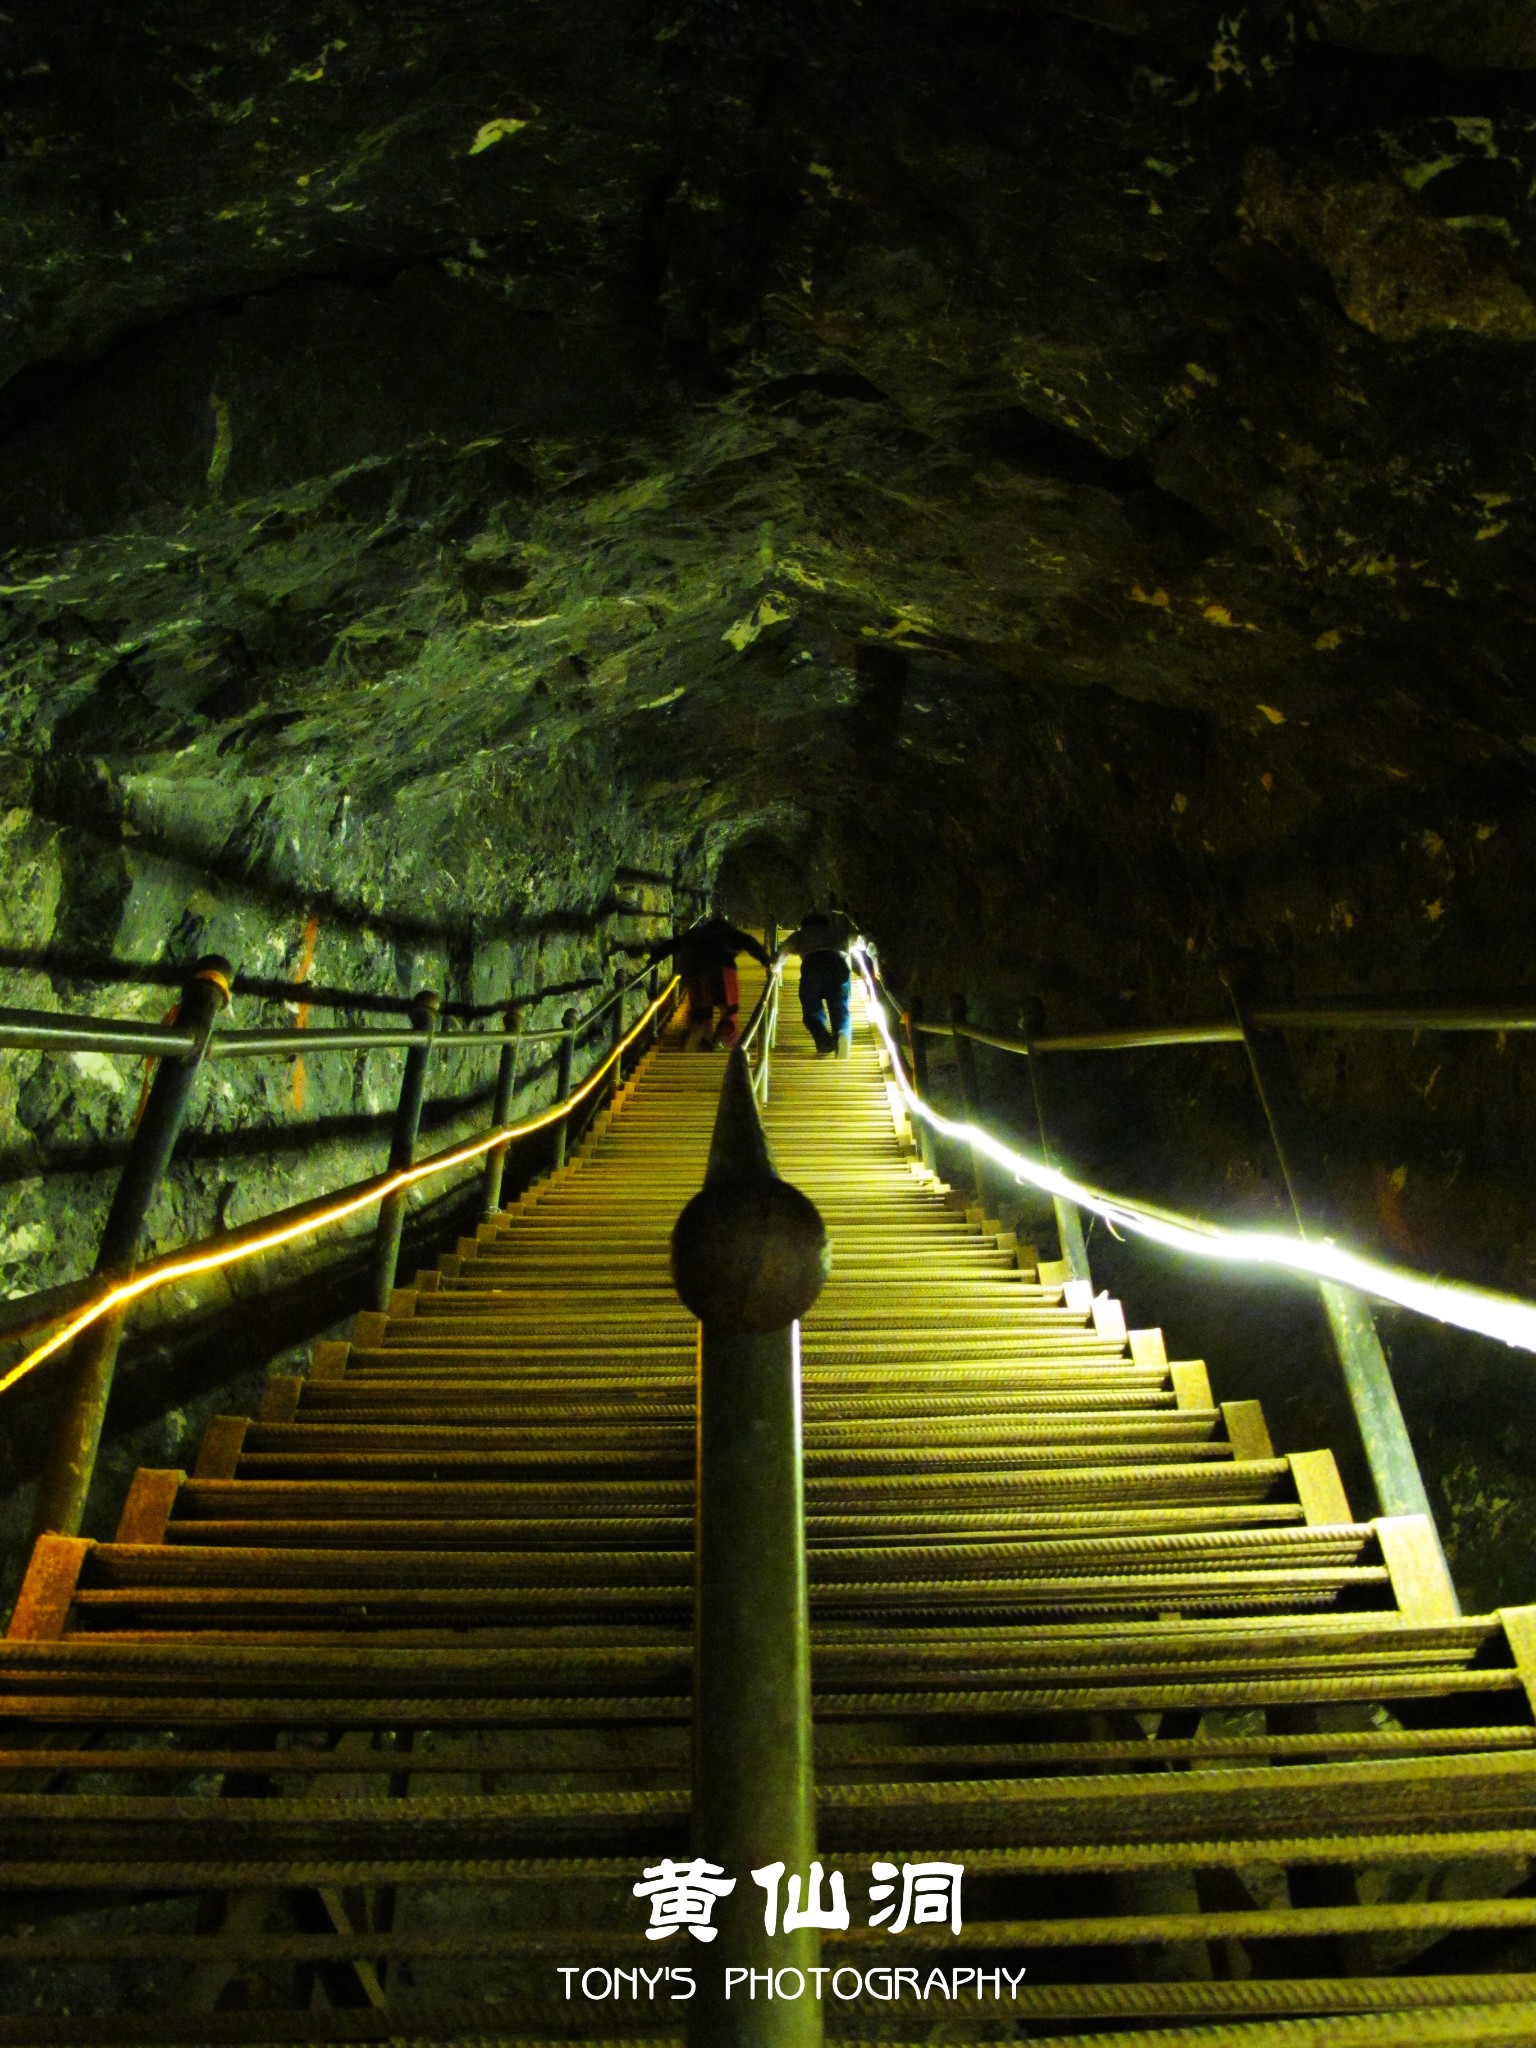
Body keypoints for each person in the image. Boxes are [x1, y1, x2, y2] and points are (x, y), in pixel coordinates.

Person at [663, 914, 771, 1051]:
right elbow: (751, 943)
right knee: (728, 1011)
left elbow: (676, 943)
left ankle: (695, 1043)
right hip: (724, 972)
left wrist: (656, 956)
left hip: (699, 972)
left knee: (700, 1014)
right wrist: (766, 961)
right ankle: (721, 1040)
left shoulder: (698, 933)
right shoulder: (731, 934)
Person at [780, 908, 856, 1058]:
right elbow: (860, 940)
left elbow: (784, 949)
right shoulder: (838, 931)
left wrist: (775, 967)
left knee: (811, 1007)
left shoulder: (802, 934)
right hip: (838, 965)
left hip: (813, 967)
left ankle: (823, 1040)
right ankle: (842, 1033)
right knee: (840, 1005)